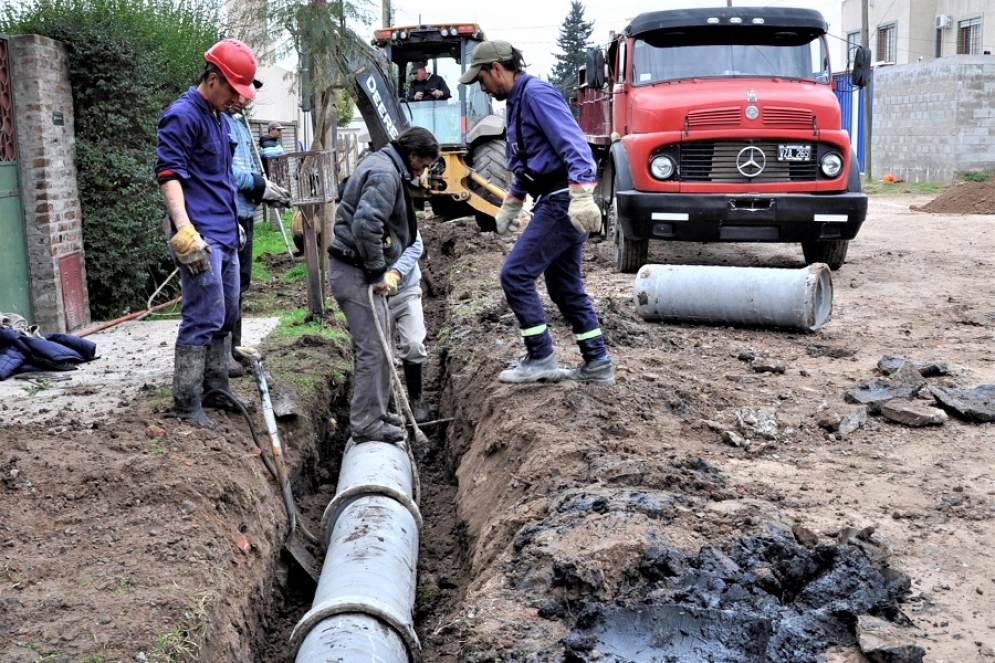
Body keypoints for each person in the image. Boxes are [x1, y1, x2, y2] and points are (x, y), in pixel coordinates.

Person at [459, 41, 615, 386]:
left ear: (497, 69)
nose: (481, 87)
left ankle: (540, 356)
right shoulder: (516, 103)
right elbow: (526, 164)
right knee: (564, 287)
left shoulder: (537, 95)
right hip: (551, 199)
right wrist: (512, 204)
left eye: (481, 79)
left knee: (514, 275)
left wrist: (581, 195)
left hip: (563, 202)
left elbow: (575, 146)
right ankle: (598, 363)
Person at [155, 38, 284, 428]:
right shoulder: (183, 115)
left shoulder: (216, 116)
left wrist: (236, 227)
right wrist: (184, 229)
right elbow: (169, 175)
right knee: (203, 313)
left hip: (226, 232)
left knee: (227, 311)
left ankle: (216, 387)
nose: (241, 100)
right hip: (200, 236)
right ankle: (187, 401)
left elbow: (221, 178)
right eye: (235, 90)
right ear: (213, 79)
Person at [327, 127, 440, 443]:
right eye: (423, 164)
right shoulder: (385, 174)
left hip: (355, 268)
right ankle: (366, 424)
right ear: (413, 155)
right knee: (374, 350)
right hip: (355, 271)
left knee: (380, 347)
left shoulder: (384, 165)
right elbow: (365, 224)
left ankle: (383, 414)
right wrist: (379, 272)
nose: (423, 171)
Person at [223, 85, 291, 377]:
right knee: (229, 286)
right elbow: (227, 172)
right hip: (229, 213)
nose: (243, 101)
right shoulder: (220, 124)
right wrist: (261, 187)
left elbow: (249, 167)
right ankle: (223, 354)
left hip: (246, 211)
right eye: (239, 94)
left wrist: (263, 189)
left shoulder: (238, 125)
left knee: (241, 282)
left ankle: (233, 349)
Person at [385, 231, 429, 423]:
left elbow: (415, 245)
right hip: (375, 296)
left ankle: (416, 399)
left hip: (406, 290)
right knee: (382, 354)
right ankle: (389, 405)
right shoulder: (358, 215)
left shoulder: (400, 211)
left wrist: (395, 273)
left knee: (413, 343)